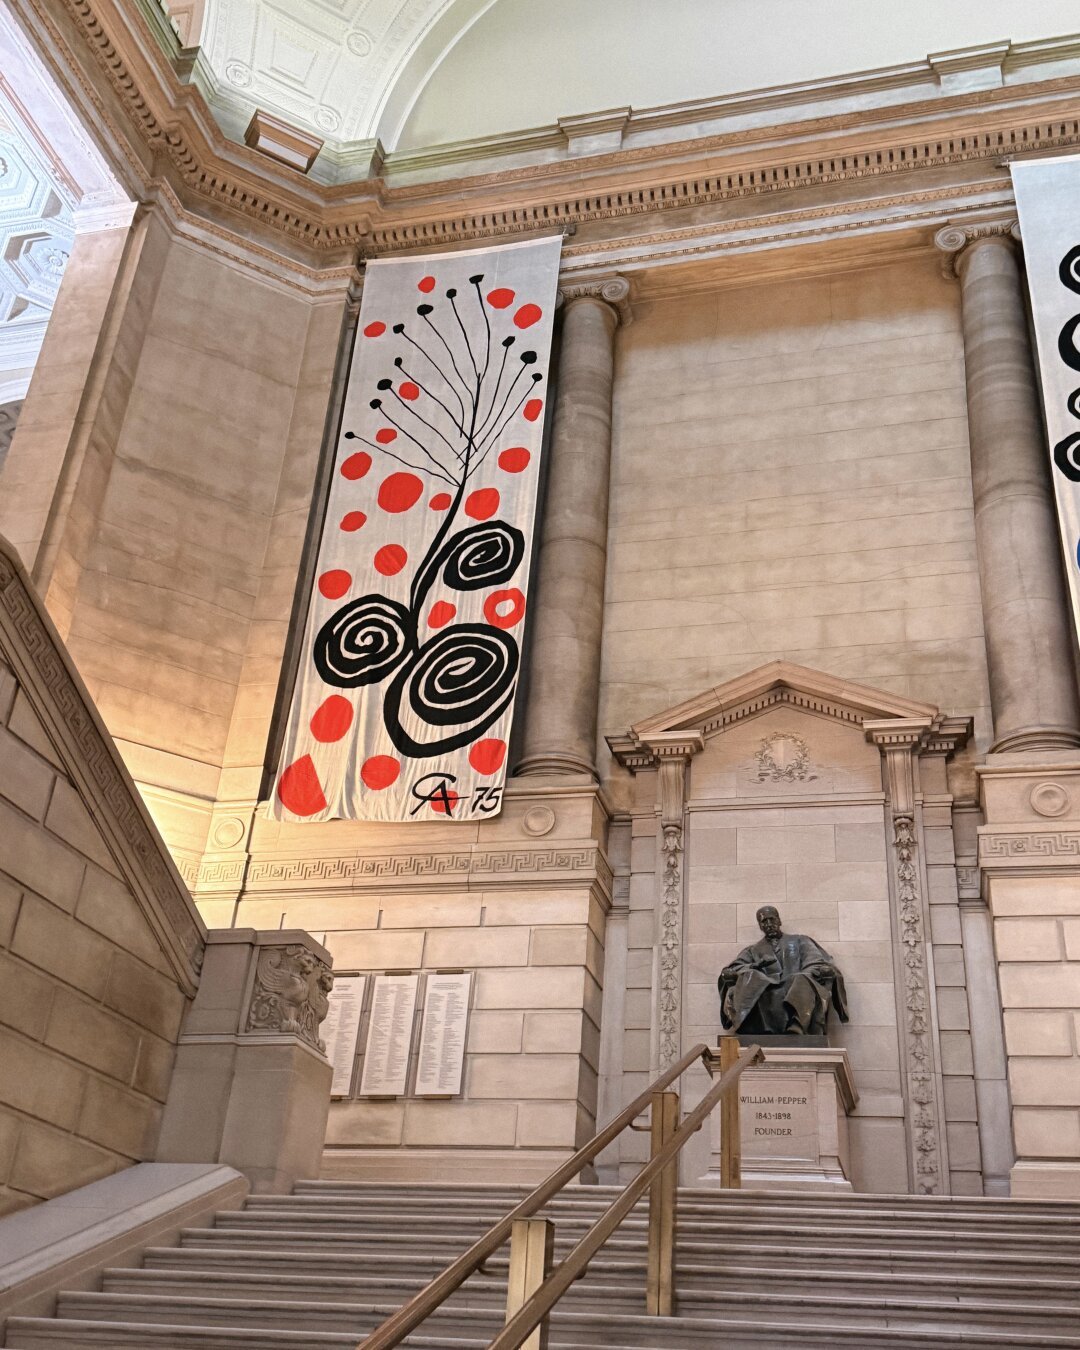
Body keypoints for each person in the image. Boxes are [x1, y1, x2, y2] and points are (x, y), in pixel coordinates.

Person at [718, 905, 847, 1035]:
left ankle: (797, 1026)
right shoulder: (752, 950)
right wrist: (755, 966)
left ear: (779, 921)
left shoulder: (800, 941)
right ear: (760, 926)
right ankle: (753, 1027)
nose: (768, 924)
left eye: (771, 919)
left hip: (796, 984)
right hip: (765, 989)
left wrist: (808, 974)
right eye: (764, 921)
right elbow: (735, 968)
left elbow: (815, 962)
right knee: (750, 976)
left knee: (802, 979)